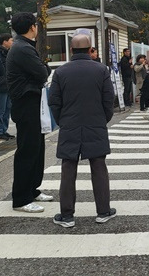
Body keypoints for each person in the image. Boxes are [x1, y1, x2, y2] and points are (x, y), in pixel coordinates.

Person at [49, 33, 116, 228]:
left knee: (68, 168)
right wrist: (103, 119)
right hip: (95, 123)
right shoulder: (101, 70)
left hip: (69, 124)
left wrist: (62, 120)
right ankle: (103, 211)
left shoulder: (61, 72)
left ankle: (67, 215)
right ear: (89, 50)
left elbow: (54, 101)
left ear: (71, 50)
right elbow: (108, 98)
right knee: (99, 166)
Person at [7, 12, 52, 213]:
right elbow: (43, 73)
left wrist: (43, 69)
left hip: (33, 104)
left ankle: (32, 189)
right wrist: (44, 68)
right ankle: (21, 198)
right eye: (35, 25)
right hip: (26, 105)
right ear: (32, 27)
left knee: (37, 148)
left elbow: (41, 72)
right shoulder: (23, 48)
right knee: (27, 150)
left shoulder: (23, 47)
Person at [0, 33, 14, 141]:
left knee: (7, 109)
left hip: (9, 85)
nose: (12, 42)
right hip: (1, 86)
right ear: (4, 42)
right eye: (11, 40)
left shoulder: (8, 52)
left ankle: (3, 130)